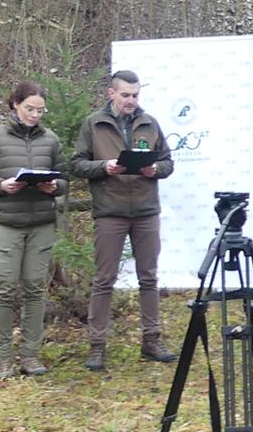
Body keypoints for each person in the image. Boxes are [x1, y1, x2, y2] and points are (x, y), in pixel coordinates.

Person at [69, 70, 178, 371]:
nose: (131, 100)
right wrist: (105, 167)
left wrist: (154, 169)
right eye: (126, 95)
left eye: (135, 95)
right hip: (110, 210)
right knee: (104, 280)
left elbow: (168, 162)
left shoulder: (149, 123)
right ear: (111, 94)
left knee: (149, 277)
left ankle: (151, 340)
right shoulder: (94, 124)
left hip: (145, 210)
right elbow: (77, 164)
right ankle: (97, 345)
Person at [0, 81, 66, 379]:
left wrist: (53, 187)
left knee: (36, 289)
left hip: (41, 224)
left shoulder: (51, 140)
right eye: (29, 109)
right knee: (4, 291)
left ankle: (31, 356)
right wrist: (1, 186)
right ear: (15, 105)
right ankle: (2, 358)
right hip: (6, 224)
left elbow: (64, 180)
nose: (35, 115)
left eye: (40, 110)